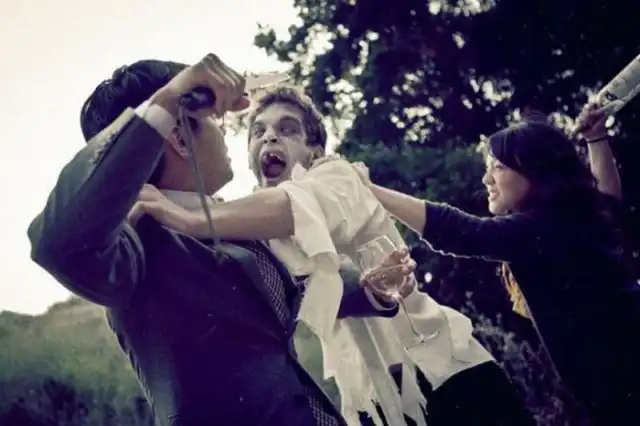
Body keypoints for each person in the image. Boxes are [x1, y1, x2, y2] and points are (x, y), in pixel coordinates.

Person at [27, 55, 414, 426]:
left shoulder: (232, 221)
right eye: (215, 119)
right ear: (180, 137)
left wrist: (372, 290)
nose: (225, 130)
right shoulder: (135, 239)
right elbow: (59, 246)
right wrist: (167, 99)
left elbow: (295, 285)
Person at [137, 86, 534, 426]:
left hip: (449, 374)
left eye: (287, 129)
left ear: (314, 151)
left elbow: (299, 207)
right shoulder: (250, 226)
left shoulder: (338, 176)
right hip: (371, 406)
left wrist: (188, 218)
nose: (269, 138)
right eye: (258, 132)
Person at [355, 106, 639, 426]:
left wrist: (370, 191)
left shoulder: (542, 228)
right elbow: (607, 196)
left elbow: (462, 232)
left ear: (535, 170)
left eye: (499, 167)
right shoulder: (575, 216)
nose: (487, 179)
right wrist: (596, 138)